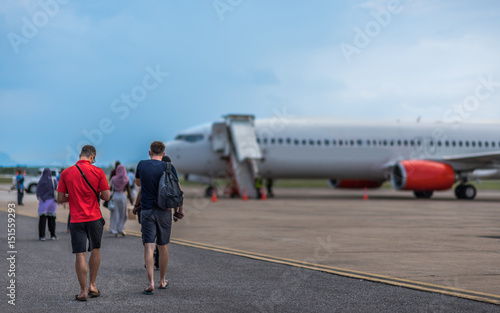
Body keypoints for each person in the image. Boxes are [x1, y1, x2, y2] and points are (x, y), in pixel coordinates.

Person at [57, 145, 110, 301]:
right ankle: (92, 285)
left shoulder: (66, 173)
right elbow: (106, 196)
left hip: (76, 220)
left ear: (80, 155)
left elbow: (60, 198)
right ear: (92, 157)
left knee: (80, 254)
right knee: (95, 249)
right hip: (94, 218)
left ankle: (82, 292)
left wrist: (73, 197)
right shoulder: (98, 172)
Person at [135, 141, 184, 295]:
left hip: (147, 210)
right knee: (163, 246)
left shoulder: (142, 165)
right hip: (164, 211)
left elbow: (138, 184)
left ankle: (150, 282)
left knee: (149, 246)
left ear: (150, 153)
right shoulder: (168, 167)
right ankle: (162, 281)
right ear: (163, 154)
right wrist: (179, 209)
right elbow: (178, 190)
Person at [109, 164, 134, 237]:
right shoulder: (126, 179)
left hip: (115, 196)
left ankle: (114, 229)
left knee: (115, 213)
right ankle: (121, 228)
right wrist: (131, 201)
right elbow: (129, 191)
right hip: (123, 196)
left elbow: (110, 189)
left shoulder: (113, 179)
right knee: (122, 214)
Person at [36, 168, 58, 241]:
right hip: (52, 202)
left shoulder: (41, 181)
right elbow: (57, 189)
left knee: (42, 219)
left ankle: (42, 236)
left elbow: (38, 191)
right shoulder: (53, 180)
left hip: (44, 201)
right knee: (52, 219)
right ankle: (52, 235)